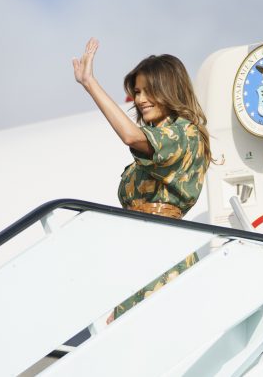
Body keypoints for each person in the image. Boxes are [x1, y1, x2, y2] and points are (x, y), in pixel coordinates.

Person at [72, 38, 212, 320]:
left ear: (169, 90)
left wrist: (90, 83)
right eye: (137, 92)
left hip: (163, 251)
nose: (140, 99)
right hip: (137, 253)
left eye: (149, 91)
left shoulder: (184, 133)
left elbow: (130, 136)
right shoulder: (156, 142)